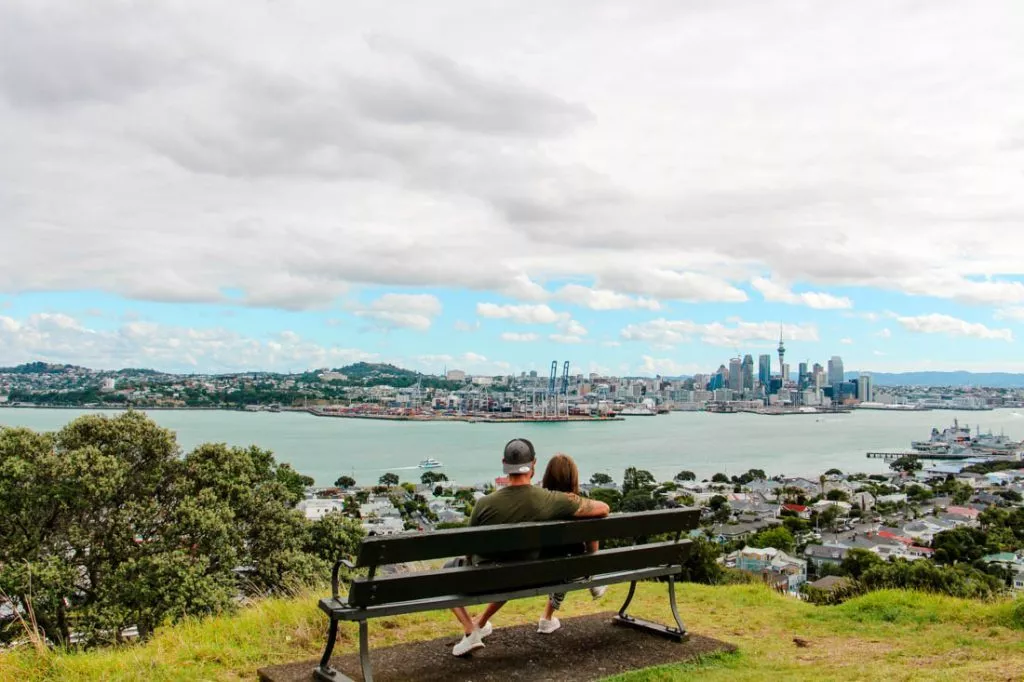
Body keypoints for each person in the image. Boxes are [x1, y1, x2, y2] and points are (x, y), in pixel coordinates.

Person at [449, 438, 610, 657]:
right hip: (526, 574)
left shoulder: (483, 504)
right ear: (533, 465)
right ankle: (478, 625)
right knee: (512, 565)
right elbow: (603, 508)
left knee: (447, 570)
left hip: (485, 580)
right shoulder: (552, 500)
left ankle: (471, 631)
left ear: (504, 464)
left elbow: (468, 549)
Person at [535, 453, 607, 634]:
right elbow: (604, 508)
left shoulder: (538, 504)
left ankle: (547, 618)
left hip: (538, 571)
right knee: (589, 530)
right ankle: (593, 577)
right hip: (573, 570)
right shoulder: (579, 505)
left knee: (561, 563)